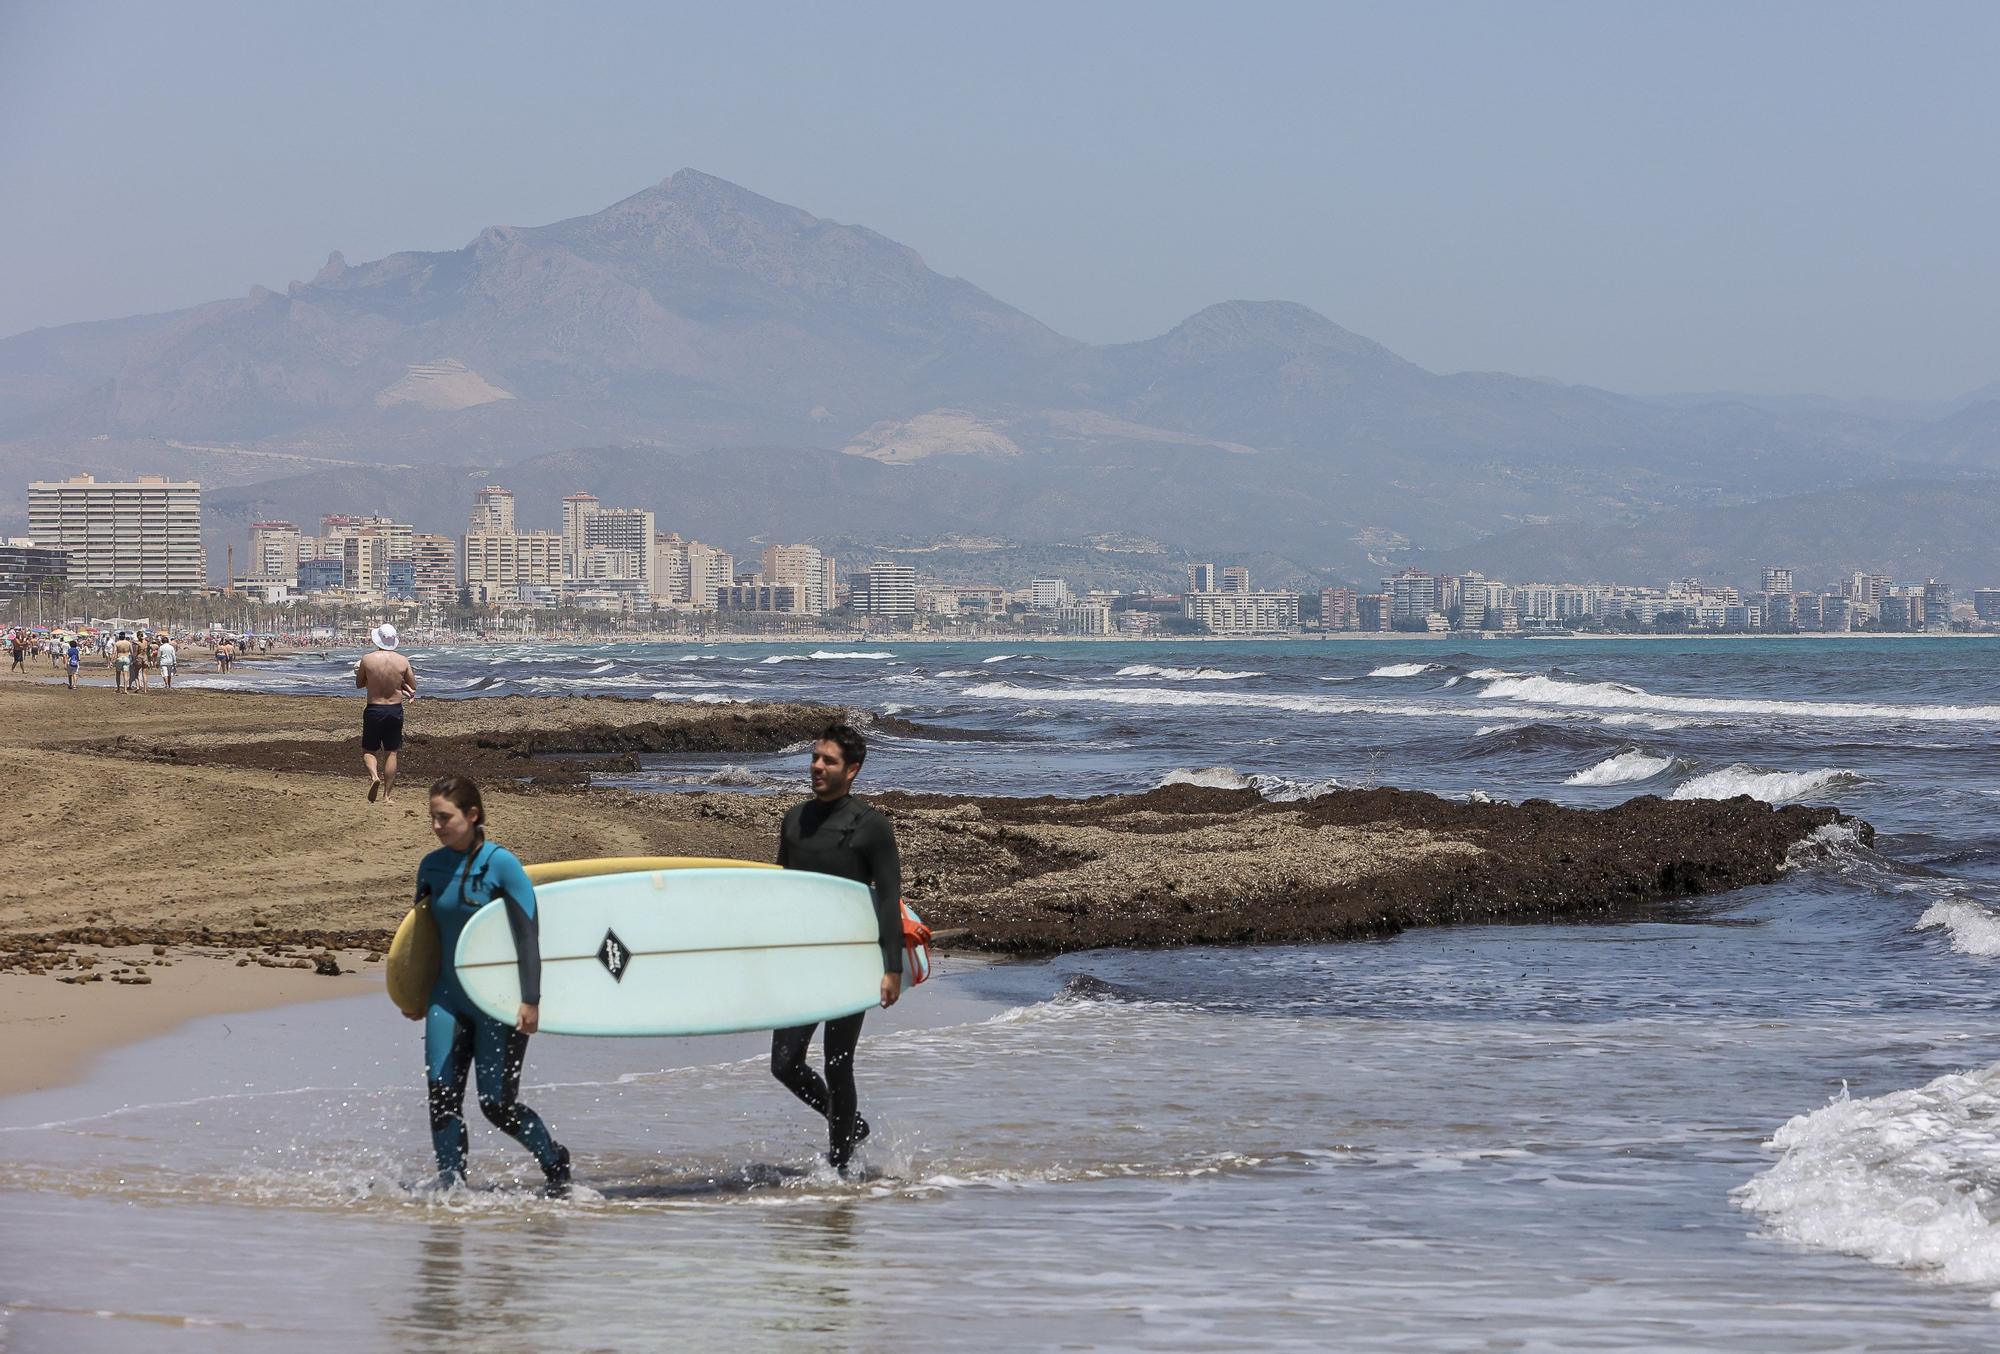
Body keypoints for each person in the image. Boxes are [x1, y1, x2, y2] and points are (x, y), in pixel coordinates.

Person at [410, 775, 571, 1193]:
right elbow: (422, 939)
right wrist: (412, 992)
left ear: (473, 815)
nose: (437, 826)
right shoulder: (431, 866)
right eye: (432, 818)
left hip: (496, 1004)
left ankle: (555, 1163)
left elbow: (527, 936)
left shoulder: (502, 865)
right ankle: (452, 1190)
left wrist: (530, 1000)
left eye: (444, 818)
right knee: (442, 1098)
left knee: (495, 1106)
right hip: (446, 998)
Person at [769, 722, 903, 1173]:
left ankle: (839, 1165)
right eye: (814, 757)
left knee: (838, 1064)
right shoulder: (794, 819)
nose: (817, 767)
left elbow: (887, 899)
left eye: (828, 760)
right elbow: (780, 892)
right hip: (802, 960)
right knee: (784, 1064)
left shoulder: (870, 827)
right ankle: (849, 1125)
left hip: (850, 959)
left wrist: (892, 968)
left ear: (853, 770)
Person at [355, 624, 417, 803]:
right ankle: (387, 796)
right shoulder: (403, 661)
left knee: (369, 749)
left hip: (374, 708)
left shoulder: (367, 659)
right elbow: (412, 686)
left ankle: (375, 776)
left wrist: (370, 679)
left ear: (378, 639)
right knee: (391, 752)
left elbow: (359, 684)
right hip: (394, 709)